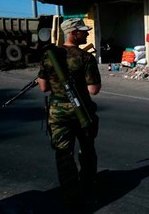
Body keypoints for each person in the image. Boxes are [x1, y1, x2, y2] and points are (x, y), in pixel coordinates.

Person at [37, 18, 102, 207]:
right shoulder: (85, 57)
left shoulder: (49, 56)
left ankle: (71, 194)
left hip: (58, 113)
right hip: (81, 112)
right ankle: (88, 185)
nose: (87, 33)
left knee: (63, 153)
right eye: (83, 31)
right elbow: (94, 90)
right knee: (87, 149)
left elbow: (43, 87)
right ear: (73, 33)